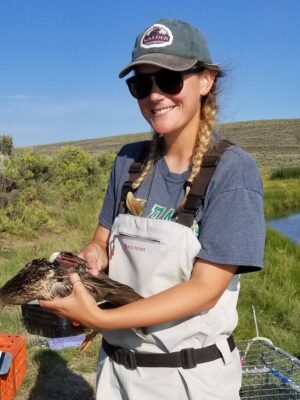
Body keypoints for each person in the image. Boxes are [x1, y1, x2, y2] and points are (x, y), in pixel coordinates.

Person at [40, 18, 265, 399]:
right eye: (142, 84)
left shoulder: (232, 170)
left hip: (188, 380)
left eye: (170, 80)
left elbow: (204, 290)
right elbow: (101, 240)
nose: (155, 95)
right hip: (115, 374)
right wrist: (89, 259)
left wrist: (100, 318)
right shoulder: (128, 161)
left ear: (206, 80)